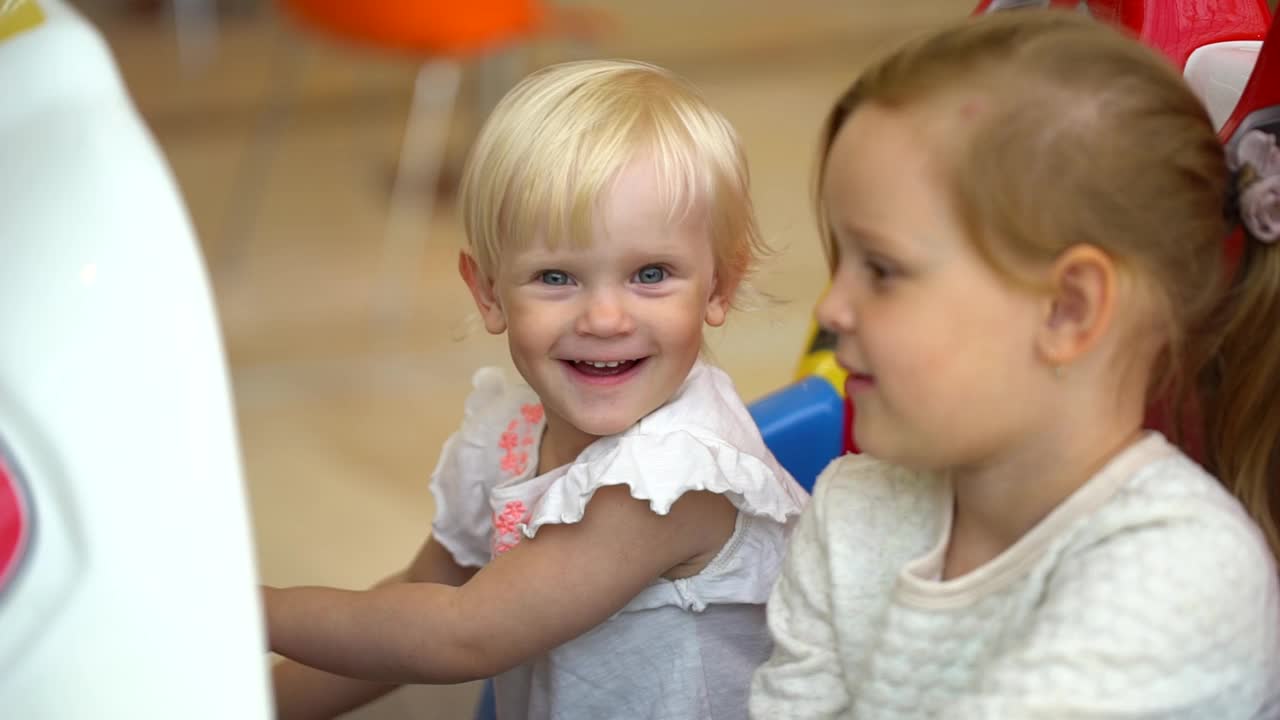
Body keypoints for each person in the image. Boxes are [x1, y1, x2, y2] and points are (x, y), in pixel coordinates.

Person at [750, 9, 1280, 718]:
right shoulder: (852, 507)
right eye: (839, 261)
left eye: (881, 269)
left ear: (1067, 310)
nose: (834, 308)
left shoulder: (1189, 569)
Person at [264, 58, 808, 720]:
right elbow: (416, 601)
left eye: (651, 273)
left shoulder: (669, 482)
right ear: (488, 292)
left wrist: (245, 610)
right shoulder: (513, 436)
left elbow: (461, 634)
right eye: (556, 277)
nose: (605, 318)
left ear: (719, 287)